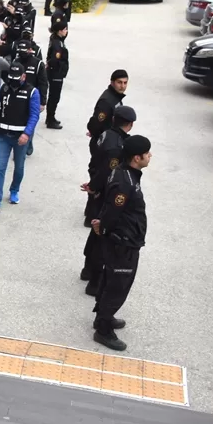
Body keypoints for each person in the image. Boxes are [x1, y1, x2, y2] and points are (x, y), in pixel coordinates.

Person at [90, 135, 151, 352]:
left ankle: (102, 316)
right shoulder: (125, 181)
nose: (150, 156)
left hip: (124, 240)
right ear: (137, 157)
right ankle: (104, 329)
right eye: (147, 153)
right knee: (119, 285)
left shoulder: (127, 173)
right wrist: (103, 226)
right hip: (122, 243)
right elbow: (113, 209)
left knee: (111, 279)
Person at [81, 106, 135, 296]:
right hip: (104, 194)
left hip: (99, 188)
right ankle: (94, 281)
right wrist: (95, 187)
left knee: (95, 235)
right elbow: (107, 171)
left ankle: (87, 270)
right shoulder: (116, 145)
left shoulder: (107, 135)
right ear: (130, 124)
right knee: (101, 237)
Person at [0, 61, 41, 212]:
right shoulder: (3, 88)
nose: (13, 81)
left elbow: (34, 115)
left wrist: (27, 133)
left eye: (17, 78)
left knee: (19, 166)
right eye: (11, 78)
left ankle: (14, 190)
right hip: (2, 134)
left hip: (20, 137)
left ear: (24, 76)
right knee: (0, 167)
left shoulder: (32, 92)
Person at [87, 69, 129, 158]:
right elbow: (95, 124)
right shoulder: (106, 101)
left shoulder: (115, 97)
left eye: (125, 83)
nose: (122, 86)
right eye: (119, 82)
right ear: (112, 82)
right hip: (103, 146)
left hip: (111, 141)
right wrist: (95, 134)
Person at [45, 22, 69, 129]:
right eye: (64, 29)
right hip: (56, 73)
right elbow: (55, 59)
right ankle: (50, 119)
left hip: (56, 72)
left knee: (54, 96)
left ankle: (50, 117)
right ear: (59, 31)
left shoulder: (57, 39)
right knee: (54, 97)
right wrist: (59, 68)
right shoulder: (57, 43)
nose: (66, 31)